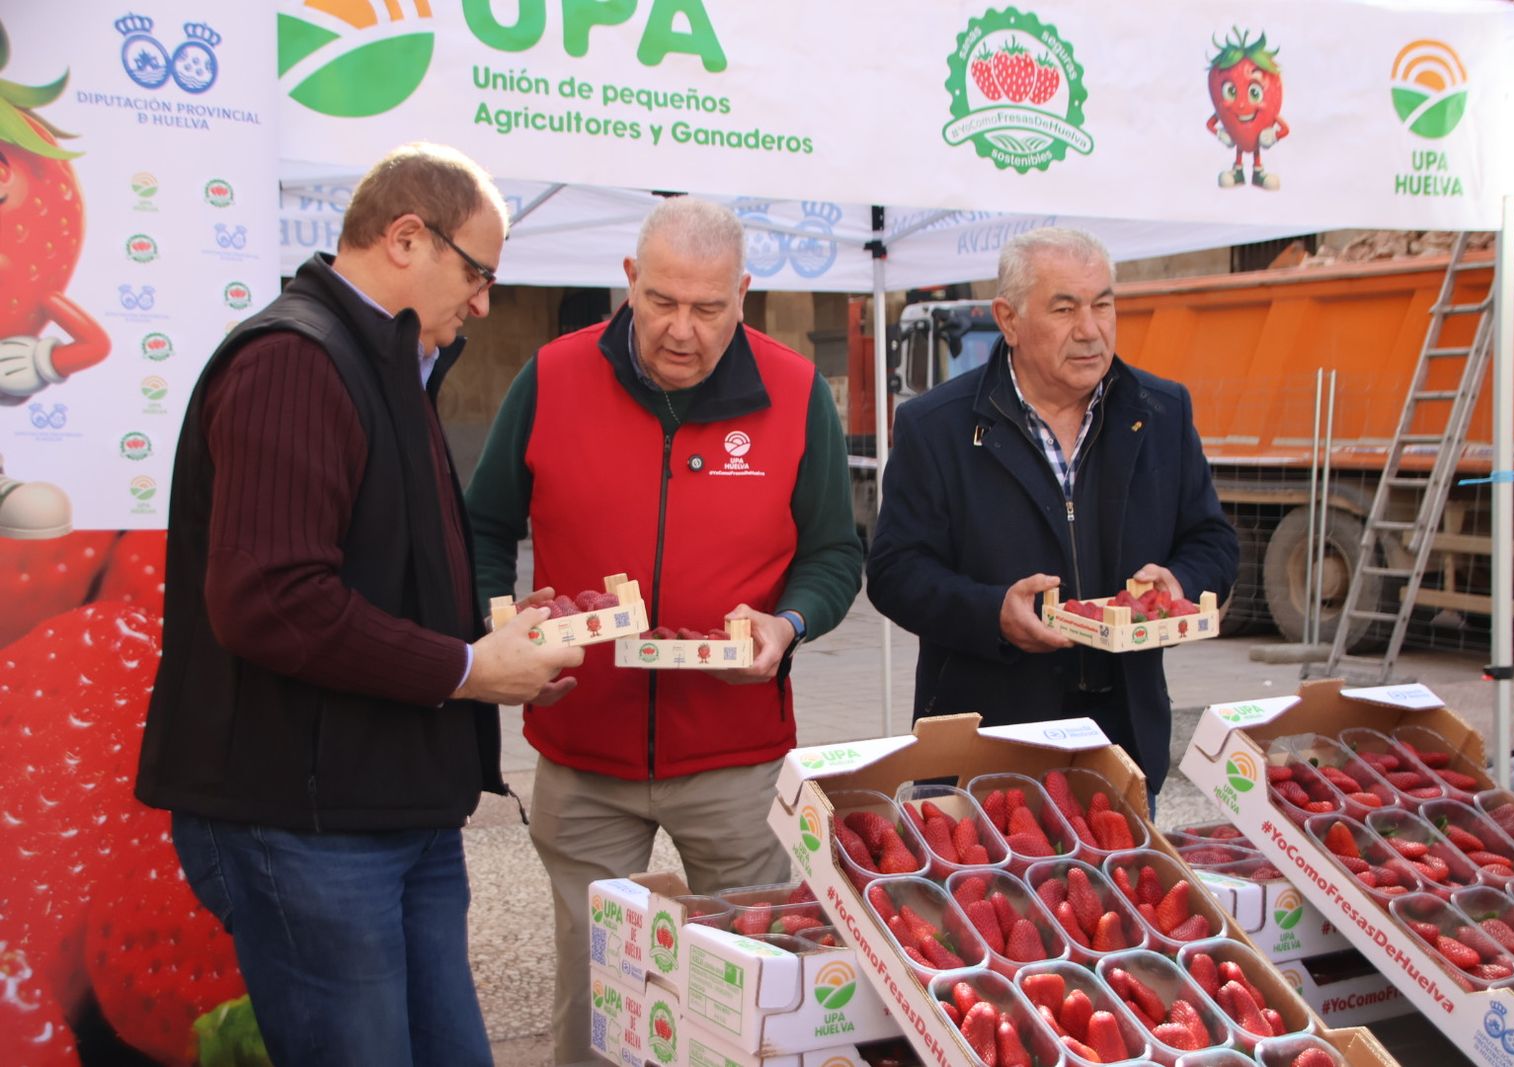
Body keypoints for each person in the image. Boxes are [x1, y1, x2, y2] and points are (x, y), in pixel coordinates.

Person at [135, 143, 583, 1067]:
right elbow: (272, 601)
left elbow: (377, 574)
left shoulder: (390, 364)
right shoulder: (296, 360)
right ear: (407, 237)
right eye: (480, 273)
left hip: (392, 808)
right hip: (306, 822)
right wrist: (464, 669)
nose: (485, 302)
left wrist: (494, 640)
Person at [466, 196, 861, 1061]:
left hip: (738, 759)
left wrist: (788, 623)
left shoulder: (794, 391)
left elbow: (835, 553)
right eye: (662, 302)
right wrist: (497, 624)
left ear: (744, 297)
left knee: (749, 985)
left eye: (709, 309)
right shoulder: (553, 375)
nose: (681, 330)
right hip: (582, 748)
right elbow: (482, 525)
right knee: (596, 987)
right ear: (630, 282)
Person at [866, 227, 1238, 798]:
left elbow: (1212, 542)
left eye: (1103, 305)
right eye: (1064, 308)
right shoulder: (935, 426)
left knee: (1124, 889)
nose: (1090, 330)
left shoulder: (1160, 412)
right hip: (984, 750)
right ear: (1008, 319)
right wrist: (994, 613)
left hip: (1121, 746)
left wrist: (1178, 583)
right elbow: (894, 573)